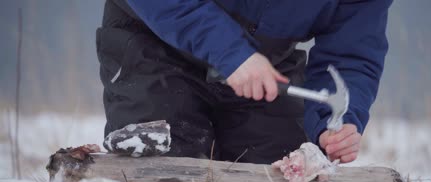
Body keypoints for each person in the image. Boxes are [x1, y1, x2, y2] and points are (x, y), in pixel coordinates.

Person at [96, 0, 392, 164]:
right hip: (156, 39)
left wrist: (335, 122)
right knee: (166, 165)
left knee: (282, 178)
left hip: (264, 66)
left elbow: (350, 55)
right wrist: (229, 51)